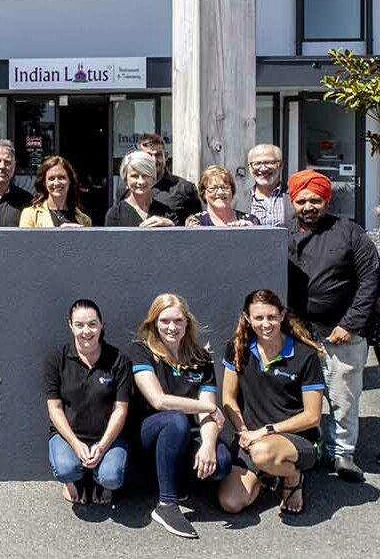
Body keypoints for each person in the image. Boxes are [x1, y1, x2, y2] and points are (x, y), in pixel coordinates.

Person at [285, 168, 378, 482]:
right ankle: (307, 449)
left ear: (327, 199)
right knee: (299, 397)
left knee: (343, 396)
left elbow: (369, 281)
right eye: (301, 200)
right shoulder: (283, 234)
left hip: (342, 333)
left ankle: (342, 454)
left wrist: (350, 323)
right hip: (298, 333)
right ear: (292, 200)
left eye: (315, 200)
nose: (308, 206)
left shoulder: (350, 231)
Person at [129, 294, 231, 538]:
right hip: (148, 432)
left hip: (186, 433)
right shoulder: (141, 351)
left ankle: (180, 478)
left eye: (178, 320)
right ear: (154, 323)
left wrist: (207, 445)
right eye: (164, 321)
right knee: (175, 419)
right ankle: (166, 504)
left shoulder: (201, 358)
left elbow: (208, 410)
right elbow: (159, 401)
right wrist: (206, 407)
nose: (172, 327)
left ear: (187, 323)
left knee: (222, 463)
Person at [218, 289, 326, 516]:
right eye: (258, 318)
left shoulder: (304, 355)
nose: (265, 324)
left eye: (271, 317)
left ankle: (292, 477)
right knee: (231, 502)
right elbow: (228, 398)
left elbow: (312, 416)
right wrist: (243, 431)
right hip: (252, 438)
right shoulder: (237, 348)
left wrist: (264, 432)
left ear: (282, 315)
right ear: (247, 318)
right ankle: (268, 473)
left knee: (263, 452)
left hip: (295, 438)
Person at [45, 299, 131, 505]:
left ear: (102, 325)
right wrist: (75, 444)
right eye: (80, 325)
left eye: (92, 324)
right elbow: (55, 408)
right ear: (70, 325)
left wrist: (102, 446)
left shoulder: (119, 360)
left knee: (111, 477)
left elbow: (121, 409)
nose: (86, 331)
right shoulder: (57, 360)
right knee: (66, 470)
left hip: (108, 438)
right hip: (68, 436)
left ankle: (100, 482)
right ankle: (72, 482)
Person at [138, 133, 201, 224]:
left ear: (166, 156)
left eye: (158, 155)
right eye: (148, 155)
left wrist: (171, 225)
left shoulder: (185, 188)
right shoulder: (127, 189)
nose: (154, 160)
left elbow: (196, 227)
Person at [104, 151, 176, 227]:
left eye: (145, 175)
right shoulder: (115, 215)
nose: (141, 181)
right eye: (134, 176)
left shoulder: (167, 212)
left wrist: (170, 225)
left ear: (154, 179)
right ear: (125, 179)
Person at [19, 156, 91, 228]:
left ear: (70, 181)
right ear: (44, 182)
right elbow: (25, 239)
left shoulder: (84, 220)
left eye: (61, 178)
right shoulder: (30, 215)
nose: (56, 183)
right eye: (51, 179)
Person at [185, 165, 260, 227]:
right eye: (213, 188)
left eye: (225, 187)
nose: (220, 192)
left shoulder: (250, 220)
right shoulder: (195, 221)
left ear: (232, 191)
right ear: (204, 193)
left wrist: (250, 230)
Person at [248, 144, 292, 227]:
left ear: (280, 165)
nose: (263, 168)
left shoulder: (293, 196)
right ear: (250, 167)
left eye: (269, 162)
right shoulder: (238, 200)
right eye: (257, 163)